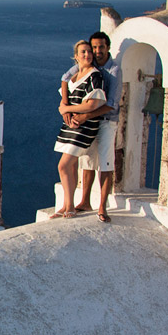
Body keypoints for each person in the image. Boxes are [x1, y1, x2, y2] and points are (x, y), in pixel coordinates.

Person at [60, 31, 122, 223]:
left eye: (101, 47)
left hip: (106, 121)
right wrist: (66, 107)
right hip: (89, 122)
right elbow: (65, 77)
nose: (97, 51)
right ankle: (84, 202)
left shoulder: (114, 70)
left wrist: (84, 115)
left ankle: (102, 207)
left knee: (105, 163)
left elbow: (111, 103)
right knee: (86, 161)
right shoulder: (88, 64)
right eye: (94, 47)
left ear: (108, 47)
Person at [50, 40, 106, 219]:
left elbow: (92, 104)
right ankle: (67, 205)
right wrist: (64, 111)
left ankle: (70, 207)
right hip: (70, 126)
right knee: (71, 167)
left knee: (63, 166)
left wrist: (67, 110)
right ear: (76, 56)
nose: (87, 55)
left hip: (85, 127)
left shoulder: (95, 76)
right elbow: (65, 101)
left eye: (89, 52)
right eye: (83, 52)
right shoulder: (73, 76)